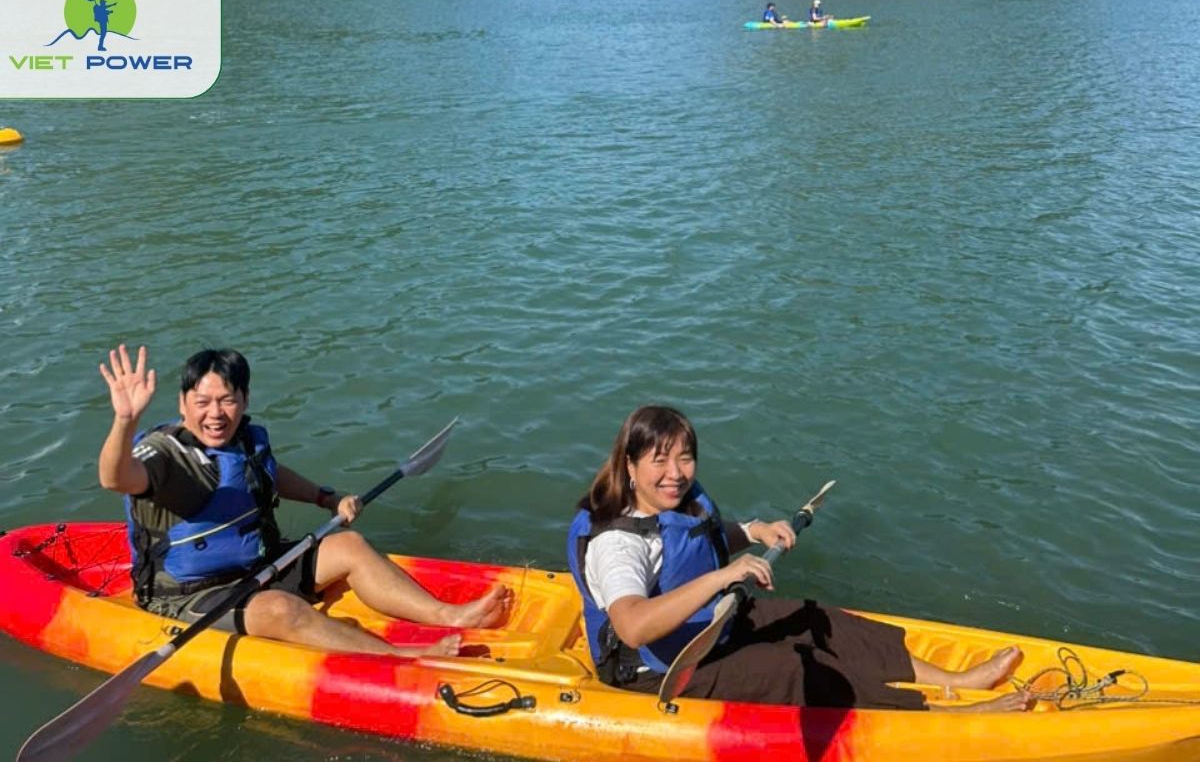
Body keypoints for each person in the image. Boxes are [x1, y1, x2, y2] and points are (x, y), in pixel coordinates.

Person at [566, 405, 1033, 712]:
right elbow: (632, 625)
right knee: (792, 668)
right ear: (629, 466)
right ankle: (939, 712)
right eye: (659, 461)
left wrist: (753, 532)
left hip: (712, 621)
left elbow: (694, 545)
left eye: (685, 459)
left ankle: (957, 679)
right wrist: (723, 578)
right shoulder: (618, 543)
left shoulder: (675, 499)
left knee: (816, 619)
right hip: (657, 668)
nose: (676, 474)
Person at [98, 344, 511, 658]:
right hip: (190, 596)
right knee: (280, 608)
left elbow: (270, 475)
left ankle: (450, 616)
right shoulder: (163, 453)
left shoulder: (244, 439)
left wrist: (326, 498)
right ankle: (400, 656)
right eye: (202, 402)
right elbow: (115, 477)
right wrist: (124, 420)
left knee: (348, 545)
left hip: (257, 566)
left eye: (227, 400)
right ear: (182, 403)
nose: (216, 414)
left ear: (244, 399)